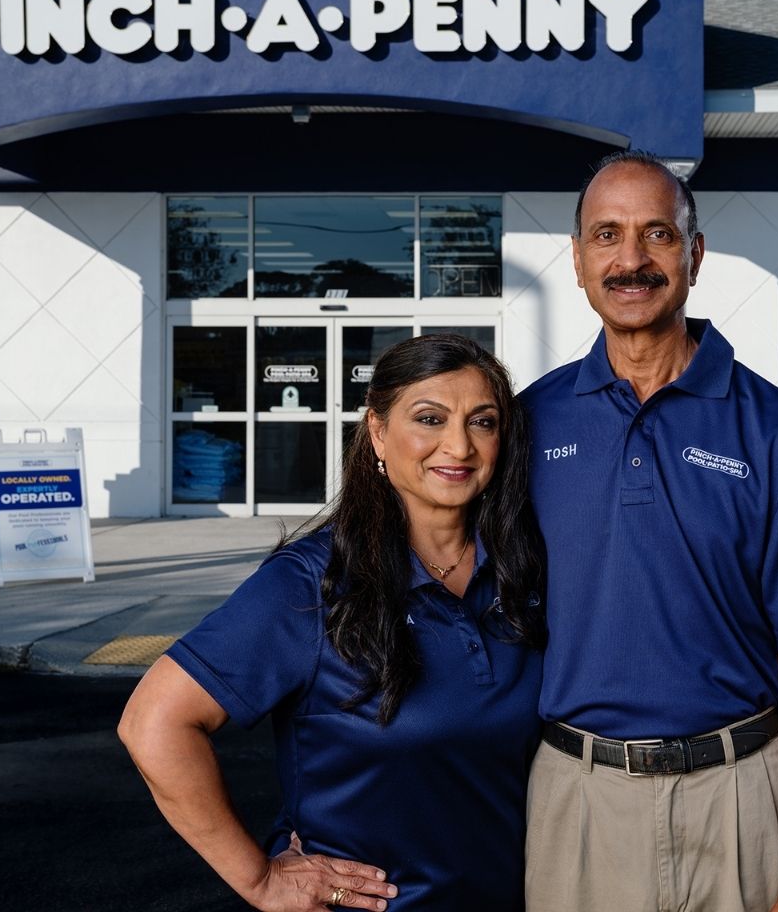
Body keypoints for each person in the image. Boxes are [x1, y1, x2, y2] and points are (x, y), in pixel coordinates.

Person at [521, 150, 778, 912]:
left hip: (741, 796)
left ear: (694, 255)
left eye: (657, 235)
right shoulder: (527, 425)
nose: (631, 259)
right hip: (577, 797)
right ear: (579, 261)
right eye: (607, 235)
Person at [119, 334, 545, 911]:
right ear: (377, 433)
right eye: (429, 418)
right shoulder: (310, 586)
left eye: (483, 422)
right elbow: (154, 724)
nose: (458, 446)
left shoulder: (523, 575)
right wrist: (260, 880)